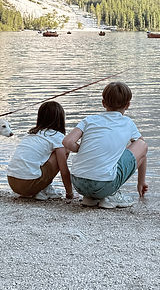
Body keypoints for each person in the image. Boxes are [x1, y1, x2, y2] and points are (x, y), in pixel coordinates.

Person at [62, 81, 148, 209]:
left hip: (78, 183)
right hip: (104, 185)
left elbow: (67, 142)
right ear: (128, 105)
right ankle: (111, 196)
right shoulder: (128, 123)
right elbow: (142, 149)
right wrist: (140, 182)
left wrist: (81, 149)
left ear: (103, 103)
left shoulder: (89, 120)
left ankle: (90, 198)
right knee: (141, 144)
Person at [6, 101, 74, 201]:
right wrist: (69, 193)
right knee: (65, 150)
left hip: (12, 182)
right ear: (60, 119)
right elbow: (64, 171)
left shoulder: (31, 134)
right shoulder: (57, 136)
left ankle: (39, 189)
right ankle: (43, 189)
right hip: (28, 184)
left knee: (45, 155)